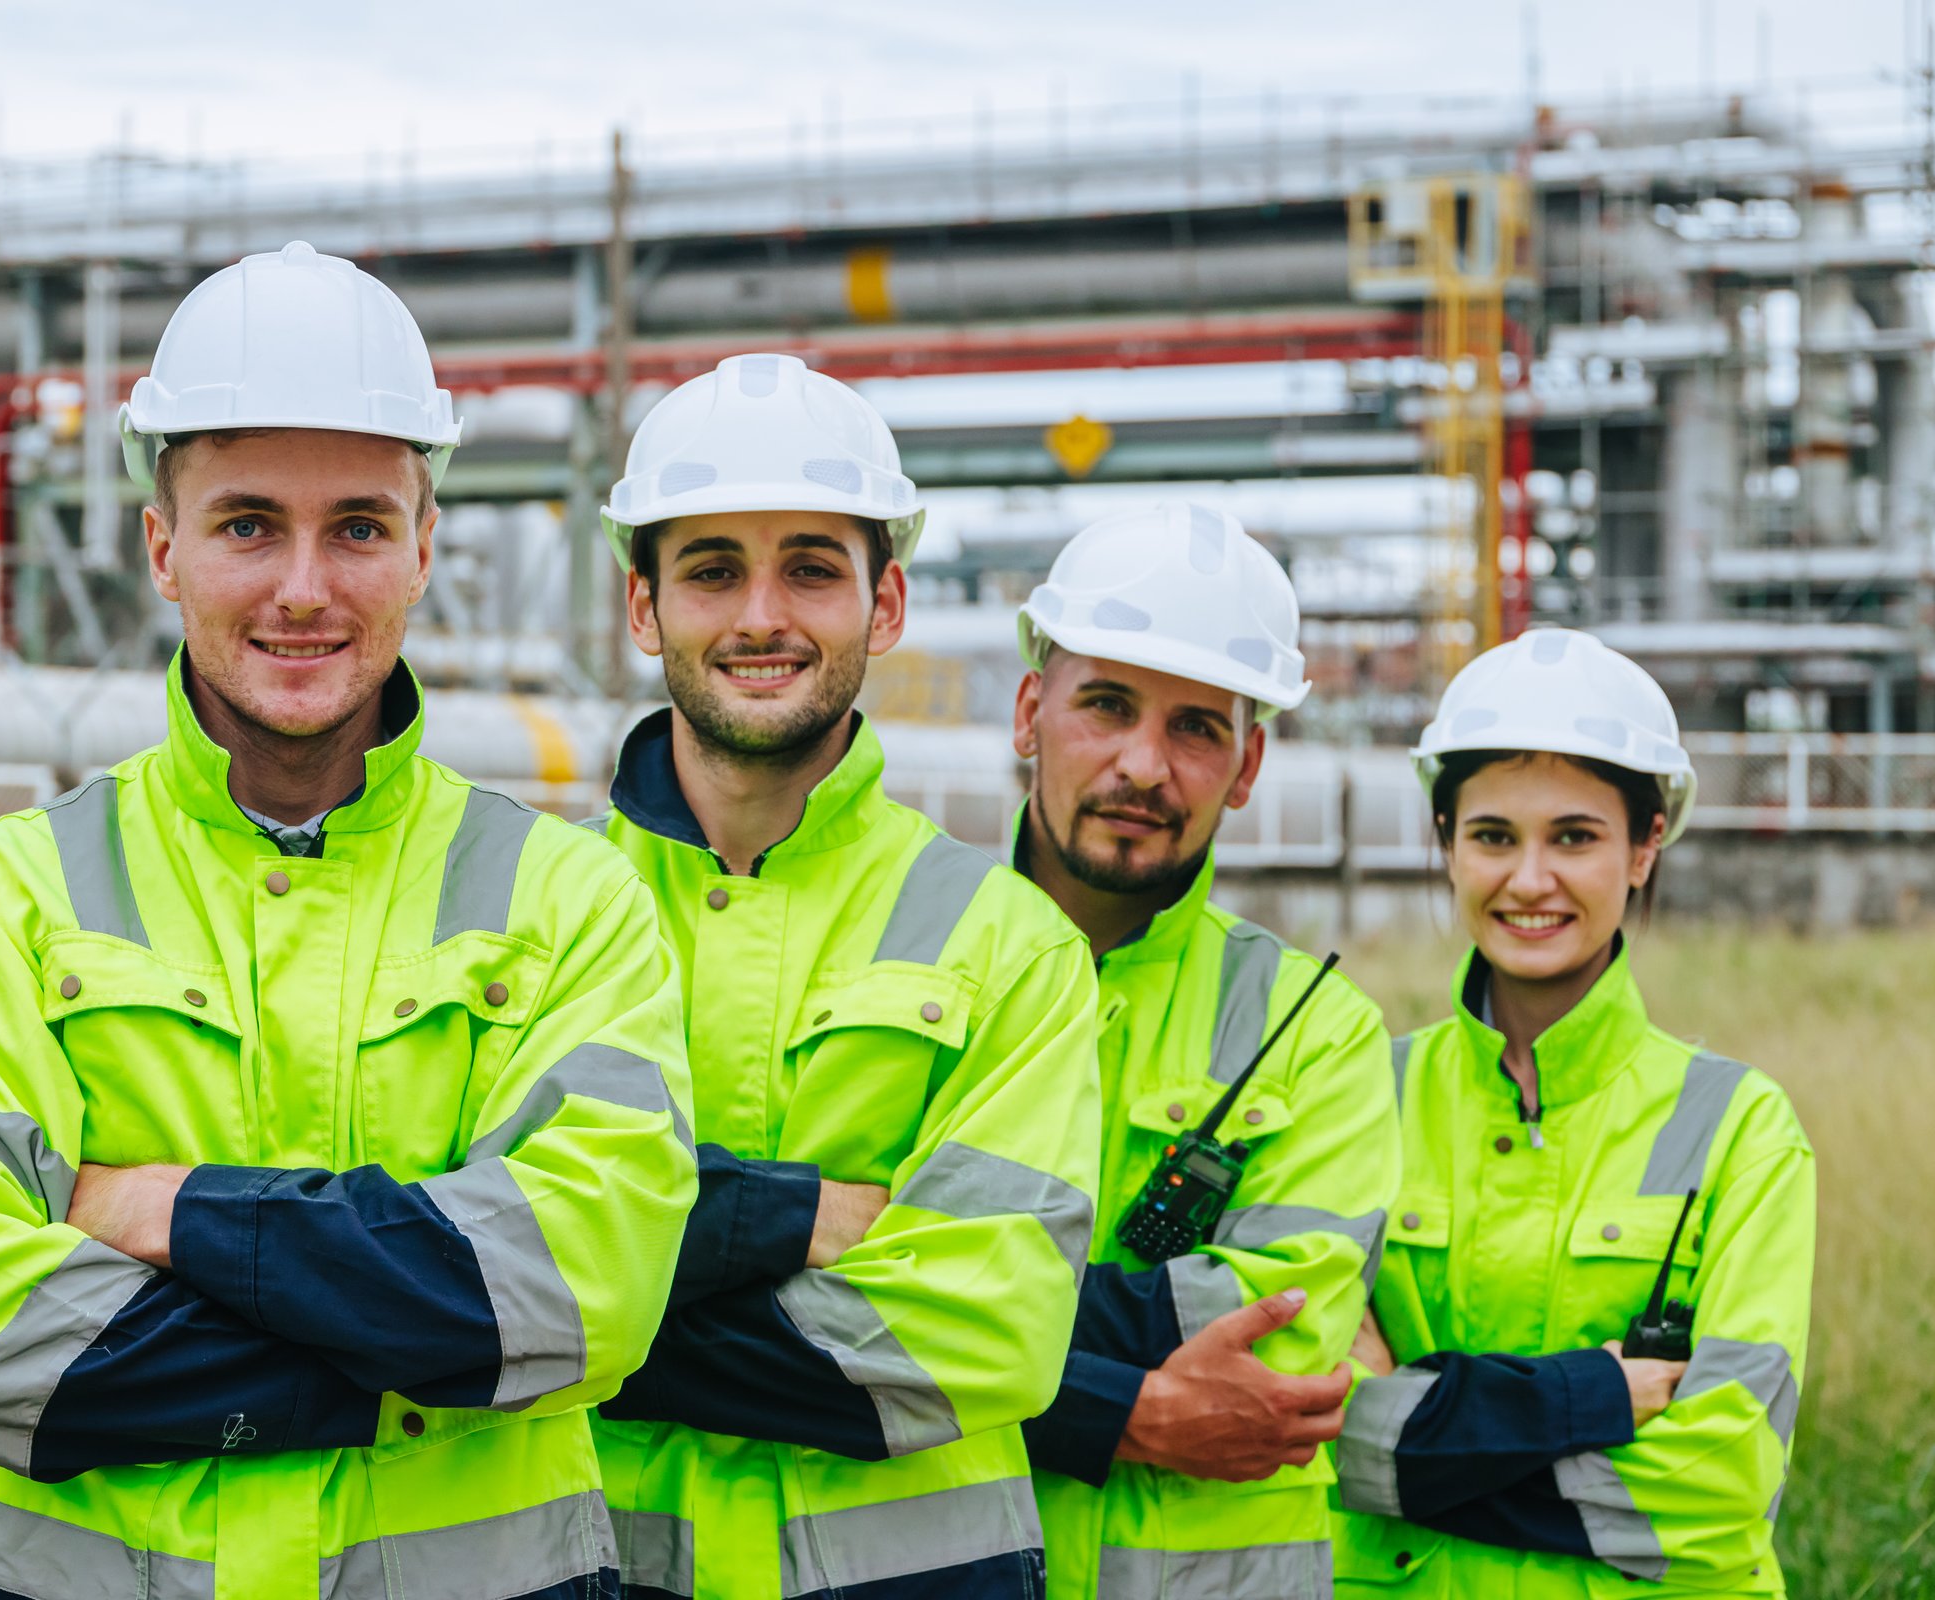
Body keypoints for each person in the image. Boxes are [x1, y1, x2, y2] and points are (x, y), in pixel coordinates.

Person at [0, 241, 697, 1600]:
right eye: (249, 524)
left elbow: (581, 1301)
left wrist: (164, 1210)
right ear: (162, 547)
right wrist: (409, 1361)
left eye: (357, 526)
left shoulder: (569, 902)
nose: (304, 586)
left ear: (423, 548)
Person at [585, 352, 1103, 1599]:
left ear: (885, 607)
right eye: (713, 568)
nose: (762, 614)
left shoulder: (1008, 943)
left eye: (811, 567)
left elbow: (990, 1333)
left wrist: (576, 1331)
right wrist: (806, 1221)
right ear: (645, 608)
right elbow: (461, 1268)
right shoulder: (535, 920)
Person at [1333, 628, 1814, 1597]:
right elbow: (1307, 1431)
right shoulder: (1352, 1101)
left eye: (1576, 836)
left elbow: (1721, 1485)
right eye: (1494, 835)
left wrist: (1410, 1456)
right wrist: (1586, 1405)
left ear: (1646, 846)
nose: (1530, 880)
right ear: (1446, 843)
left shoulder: (1741, 1130)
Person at [1010, 503, 1401, 1598]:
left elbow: (1285, 1340)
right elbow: (816, 1315)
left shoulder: (1319, 1031)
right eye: (1107, 705)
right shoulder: (901, 965)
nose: (1145, 763)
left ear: (1247, 764)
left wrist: (959, 1296)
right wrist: (1122, 1410)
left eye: (1197, 727)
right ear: (1030, 711)